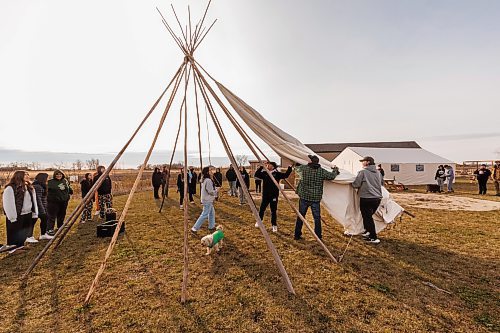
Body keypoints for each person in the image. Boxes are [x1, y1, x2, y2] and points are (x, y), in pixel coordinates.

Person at [294, 155, 339, 240]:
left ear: (310, 161)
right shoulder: (321, 171)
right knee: (317, 218)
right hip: (315, 198)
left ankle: (297, 235)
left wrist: (297, 162)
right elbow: (332, 176)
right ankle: (318, 236)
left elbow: (296, 168)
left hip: (304, 197)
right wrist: (335, 169)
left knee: (301, 216)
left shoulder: (303, 169)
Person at [351, 156, 384, 244]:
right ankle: (367, 232)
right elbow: (382, 184)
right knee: (367, 217)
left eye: (363, 161)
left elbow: (356, 184)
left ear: (368, 162)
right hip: (377, 199)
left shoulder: (362, 172)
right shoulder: (378, 173)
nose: (362, 163)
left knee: (368, 218)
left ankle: (374, 237)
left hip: (366, 198)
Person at [2, 171, 39, 248]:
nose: (27, 176)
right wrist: (12, 217)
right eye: (25, 174)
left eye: (28, 174)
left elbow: (33, 200)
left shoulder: (29, 186)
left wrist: (34, 212)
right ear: (19, 176)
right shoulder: (11, 187)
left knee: (24, 231)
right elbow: (8, 203)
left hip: (28, 213)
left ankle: (20, 245)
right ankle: (12, 248)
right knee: (14, 232)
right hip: (17, 214)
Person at [255, 162, 292, 232]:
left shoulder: (277, 174)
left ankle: (274, 225)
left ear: (273, 167)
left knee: (273, 211)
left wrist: (289, 167)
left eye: (269, 165)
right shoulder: (265, 173)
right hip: (265, 195)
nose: (267, 166)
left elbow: (286, 175)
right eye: (267, 165)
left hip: (274, 195)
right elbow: (256, 174)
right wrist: (261, 167)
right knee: (262, 209)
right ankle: (259, 222)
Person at [191, 167, 218, 232]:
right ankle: (194, 228)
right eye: (210, 170)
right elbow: (210, 191)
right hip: (207, 200)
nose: (212, 171)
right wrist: (217, 190)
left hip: (207, 199)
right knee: (205, 214)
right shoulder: (208, 180)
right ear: (207, 172)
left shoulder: (205, 179)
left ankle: (211, 226)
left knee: (212, 213)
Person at [32, 173, 53, 240]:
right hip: (38, 208)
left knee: (45, 220)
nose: (48, 179)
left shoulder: (42, 185)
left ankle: (43, 234)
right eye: (47, 178)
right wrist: (42, 210)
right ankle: (29, 236)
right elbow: (38, 199)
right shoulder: (37, 186)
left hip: (43, 207)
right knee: (33, 222)